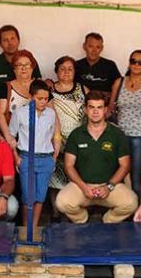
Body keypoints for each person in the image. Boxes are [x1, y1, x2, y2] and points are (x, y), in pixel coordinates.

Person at [55, 91, 137, 223]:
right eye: (91, 107)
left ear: (105, 110)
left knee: (131, 203)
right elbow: (68, 165)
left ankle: (107, 221)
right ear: (86, 110)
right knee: (62, 202)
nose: (95, 111)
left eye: (99, 107)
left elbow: (125, 165)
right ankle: (83, 219)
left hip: (110, 187)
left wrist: (109, 186)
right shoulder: (76, 134)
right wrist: (83, 186)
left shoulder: (117, 134)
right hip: (83, 186)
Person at [9, 80, 61, 227]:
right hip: (26, 157)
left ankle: (34, 227)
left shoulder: (51, 114)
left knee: (40, 197)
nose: (43, 102)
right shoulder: (20, 113)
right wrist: (16, 157)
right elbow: (11, 136)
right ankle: (26, 229)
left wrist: (54, 158)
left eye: (46, 99)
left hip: (46, 158)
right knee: (27, 197)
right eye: (39, 98)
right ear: (31, 96)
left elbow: (54, 135)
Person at [108, 50, 141, 196]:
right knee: (118, 174)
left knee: (137, 176)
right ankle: (122, 206)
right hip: (119, 135)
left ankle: (137, 211)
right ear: (129, 63)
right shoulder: (119, 83)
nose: (136, 65)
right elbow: (111, 107)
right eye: (133, 61)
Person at [49, 56, 87, 219]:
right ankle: (56, 214)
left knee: (75, 176)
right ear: (56, 71)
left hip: (78, 141)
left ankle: (72, 213)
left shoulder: (83, 89)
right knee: (55, 178)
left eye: (70, 68)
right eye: (62, 68)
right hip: (55, 140)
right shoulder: (49, 90)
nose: (66, 72)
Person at [0, 25, 41, 106]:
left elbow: (39, 86)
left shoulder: (29, 60)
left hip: (28, 111)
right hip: (0, 112)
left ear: (18, 40)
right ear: (0, 44)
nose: (10, 43)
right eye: (5, 40)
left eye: (12, 38)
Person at [0, 50, 41, 146]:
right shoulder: (5, 87)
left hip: (38, 140)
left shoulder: (41, 86)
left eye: (27, 64)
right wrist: (9, 137)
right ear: (14, 69)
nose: (23, 68)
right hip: (14, 140)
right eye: (19, 65)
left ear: (32, 67)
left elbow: (52, 113)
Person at [74, 32, 121, 99]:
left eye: (98, 47)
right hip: (80, 104)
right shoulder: (76, 65)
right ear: (84, 46)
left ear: (102, 48)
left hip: (104, 105)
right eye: (90, 46)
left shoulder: (110, 65)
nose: (94, 51)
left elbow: (119, 87)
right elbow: (67, 86)